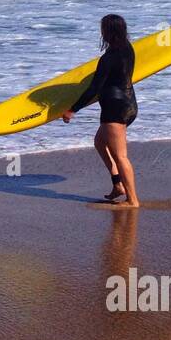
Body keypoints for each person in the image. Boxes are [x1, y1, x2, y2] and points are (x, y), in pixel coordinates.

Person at [60, 14, 139, 206]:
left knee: (120, 156)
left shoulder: (108, 58)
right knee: (100, 142)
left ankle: (132, 200)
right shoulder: (128, 49)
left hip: (114, 109)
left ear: (108, 32)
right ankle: (117, 184)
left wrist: (72, 109)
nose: (101, 32)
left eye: (103, 28)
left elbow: (94, 88)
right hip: (129, 104)